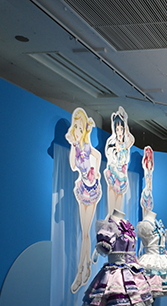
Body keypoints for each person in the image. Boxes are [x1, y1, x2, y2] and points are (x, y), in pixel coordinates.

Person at [66, 107, 102, 293]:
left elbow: (98, 156)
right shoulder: (77, 148)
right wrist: (73, 145)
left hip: (93, 189)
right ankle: (85, 268)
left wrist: (97, 172)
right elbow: (73, 165)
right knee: (85, 232)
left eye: (81, 128)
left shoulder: (88, 147)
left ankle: (81, 271)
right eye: (76, 128)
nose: (79, 132)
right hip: (82, 189)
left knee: (86, 233)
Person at [104, 106, 134, 216]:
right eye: (117, 129)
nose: (119, 131)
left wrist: (126, 127)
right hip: (114, 171)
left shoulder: (125, 145)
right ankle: (110, 218)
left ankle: (116, 220)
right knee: (111, 205)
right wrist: (115, 150)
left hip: (122, 174)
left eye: (121, 129)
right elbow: (110, 154)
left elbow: (131, 140)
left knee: (119, 204)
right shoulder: (112, 143)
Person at [140, 146, 154, 219]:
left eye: (150, 161)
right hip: (146, 191)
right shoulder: (146, 172)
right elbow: (148, 181)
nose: (149, 164)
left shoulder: (150, 172)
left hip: (149, 192)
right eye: (148, 161)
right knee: (145, 208)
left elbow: (150, 183)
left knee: (148, 209)